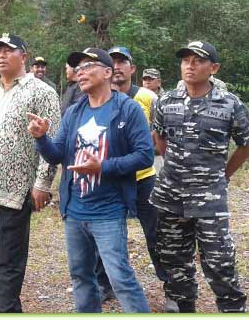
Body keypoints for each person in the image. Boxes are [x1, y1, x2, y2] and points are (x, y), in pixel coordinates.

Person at [28, 47, 151, 313]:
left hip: (108, 210)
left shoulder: (127, 109)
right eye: (78, 68)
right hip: (74, 211)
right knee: (81, 277)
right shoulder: (74, 111)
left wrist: (102, 167)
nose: (80, 72)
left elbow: (145, 156)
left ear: (108, 72)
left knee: (120, 278)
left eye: (88, 67)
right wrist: (40, 138)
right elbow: (56, 154)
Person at [150, 41, 249, 313]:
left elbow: (246, 145)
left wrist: (223, 174)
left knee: (220, 262)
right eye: (185, 60)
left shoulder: (230, 104)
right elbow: (159, 137)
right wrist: (174, 164)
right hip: (170, 195)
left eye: (198, 60)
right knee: (174, 261)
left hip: (209, 200)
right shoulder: (166, 101)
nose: (190, 65)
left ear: (214, 68)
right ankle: (184, 309)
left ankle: (232, 309)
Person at [0, 33, 60, 312]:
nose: (1, 55)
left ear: (24, 57)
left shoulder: (41, 91)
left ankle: (2, 311)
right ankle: (7, 310)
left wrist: (42, 183)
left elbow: (51, 139)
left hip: (16, 191)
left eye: (9, 50)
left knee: (9, 260)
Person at [93, 46, 173, 310]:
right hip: (110, 178)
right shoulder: (98, 97)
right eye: (112, 61)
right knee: (106, 233)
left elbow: (161, 134)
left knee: (156, 232)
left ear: (132, 68)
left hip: (143, 177)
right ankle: (104, 284)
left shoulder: (148, 97)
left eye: (122, 61)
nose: (117, 66)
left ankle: (171, 286)